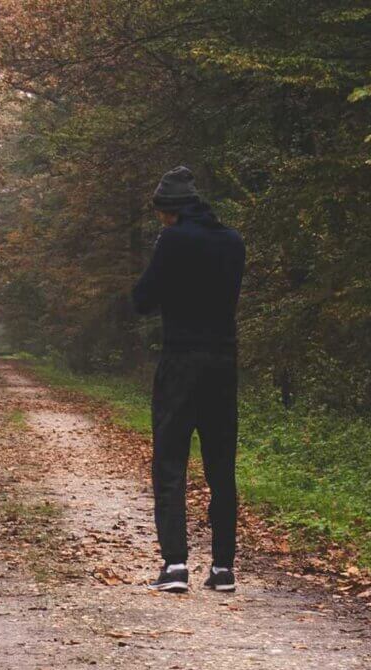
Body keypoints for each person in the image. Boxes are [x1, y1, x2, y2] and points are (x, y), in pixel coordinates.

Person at [133, 166, 245, 593]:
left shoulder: (173, 240)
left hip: (180, 360)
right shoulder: (234, 242)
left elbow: (143, 298)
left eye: (161, 213)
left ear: (171, 210)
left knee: (170, 462)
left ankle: (175, 565)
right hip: (223, 362)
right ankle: (222, 568)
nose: (160, 220)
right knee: (221, 466)